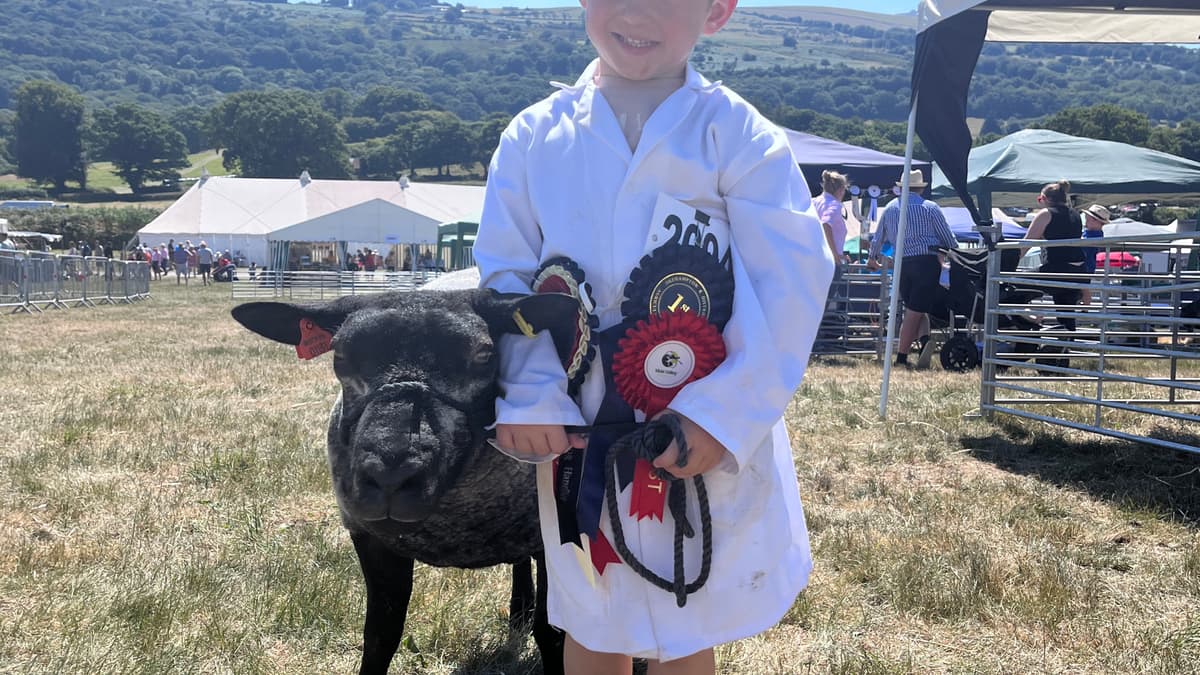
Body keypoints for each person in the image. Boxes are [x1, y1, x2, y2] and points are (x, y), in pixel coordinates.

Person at [473, 0, 834, 671]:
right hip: (579, 425)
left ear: (717, 10)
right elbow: (509, 279)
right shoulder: (532, 137)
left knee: (686, 601)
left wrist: (722, 416)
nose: (637, 12)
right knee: (591, 601)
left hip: (692, 420)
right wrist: (531, 395)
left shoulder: (737, 135)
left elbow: (788, 279)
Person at [867, 170, 958, 367]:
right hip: (926, 262)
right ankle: (901, 357)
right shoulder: (930, 208)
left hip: (901, 264)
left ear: (901, 187)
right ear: (921, 187)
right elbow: (948, 238)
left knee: (915, 308)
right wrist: (957, 254)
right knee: (914, 311)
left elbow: (878, 236)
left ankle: (925, 341)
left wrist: (872, 258)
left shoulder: (891, 208)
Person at [1024, 180, 1085, 330]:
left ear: (1045, 199)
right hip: (1076, 271)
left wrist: (1007, 263)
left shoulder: (1046, 213)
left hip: (1056, 269)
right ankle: (1064, 347)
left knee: (1011, 286)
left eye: (1039, 200)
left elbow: (1026, 243)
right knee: (1067, 315)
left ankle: (1029, 321)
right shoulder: (1076, 214)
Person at [815, 170, 852, 266]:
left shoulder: (815, 202)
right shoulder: (834, 205)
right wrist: (835, 255)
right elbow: (826, 224)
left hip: (815, 257)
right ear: (840, 190)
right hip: (828, 262)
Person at [1079, 203, 1110, 305]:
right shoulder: (1089, 232)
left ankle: (1086, 307)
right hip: (1084, 264)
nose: (1087, 221)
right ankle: (1085, 307)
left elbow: (1085, 244)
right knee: (1082, 287)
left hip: (1086, 265)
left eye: (1090, 219)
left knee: (1084, 287)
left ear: (1098, 222)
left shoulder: (1096, 235)